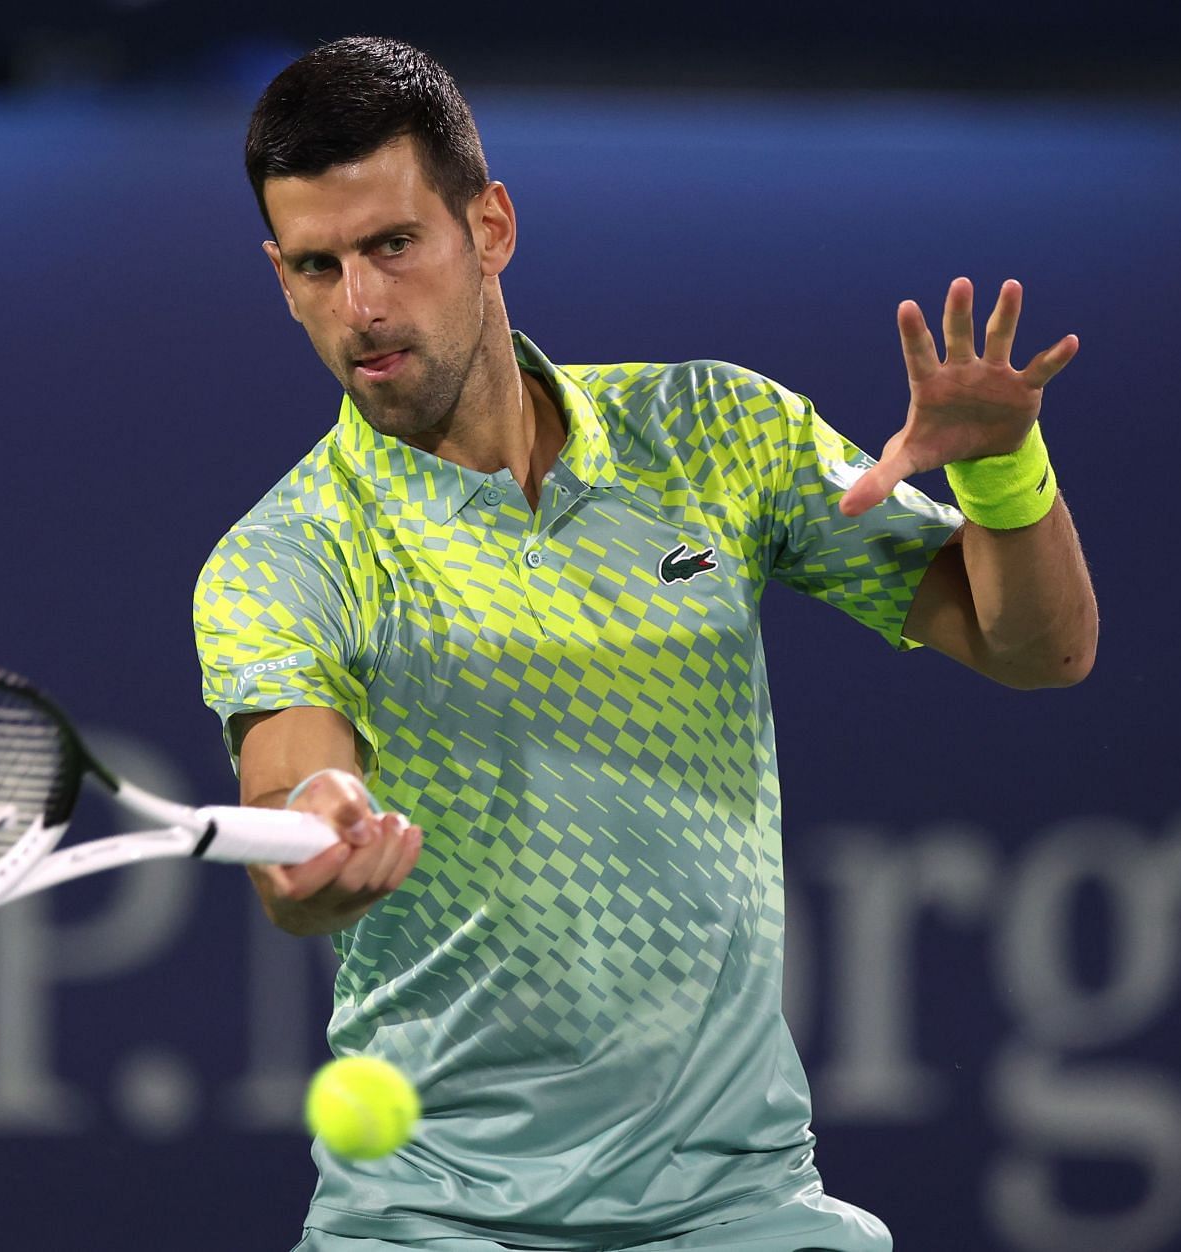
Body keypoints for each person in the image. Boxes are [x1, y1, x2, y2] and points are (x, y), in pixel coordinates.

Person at [192, 36, 1097, 1252]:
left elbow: (1037, 648)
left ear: (490, 227)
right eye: (316, 265)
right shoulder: (285, 556)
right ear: (281, 273)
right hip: (429, 1221)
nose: (360, 306)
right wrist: (317, 833)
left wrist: (1000, 468)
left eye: (393, 246)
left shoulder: (717, 429)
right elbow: (295, 785)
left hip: (742, 1206)